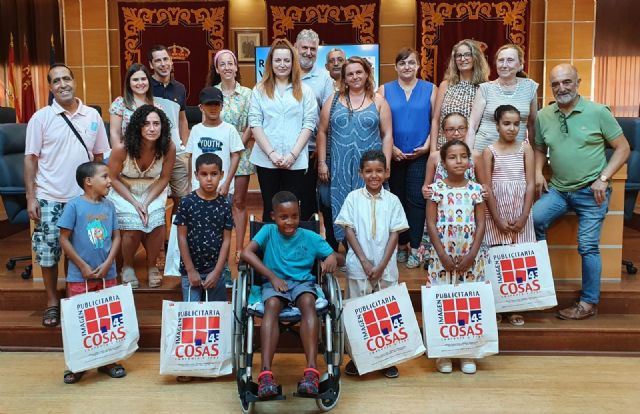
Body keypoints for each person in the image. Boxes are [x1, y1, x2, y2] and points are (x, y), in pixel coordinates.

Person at [533, 63, 630, 320]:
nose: (561, 88)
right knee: (532, 222)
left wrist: (603, 178)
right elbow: (540, 149)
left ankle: (588, 302)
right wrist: (537, 173)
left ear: (578, 82)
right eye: (555, 84)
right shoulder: (544, 115)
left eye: (566, 82)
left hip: (591, 192)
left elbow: (623, 148)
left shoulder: (598, 112)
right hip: (559, 190)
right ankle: (540, 288)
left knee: (587, 246)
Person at [25, 63, 110, 328]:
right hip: (50, 197)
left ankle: (74, 301)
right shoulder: (41, 118)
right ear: (50, 87)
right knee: (49, 252)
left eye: (66, 79)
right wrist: (31, 196)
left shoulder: (92, 117)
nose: (62, 84)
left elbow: (99, 158)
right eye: (56, 81)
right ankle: (52, 302)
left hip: (83, 200)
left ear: (75, 81)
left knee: (81, 251)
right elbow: (30, 160)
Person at [240, 191, 339, 398]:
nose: (290, 221)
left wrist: (331, 258)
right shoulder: (267, 231)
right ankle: (266, 373)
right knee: (272, 307)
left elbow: (333, 254)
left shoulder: (310, 237)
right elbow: (246, 253)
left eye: (294, 216)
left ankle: (311, 371)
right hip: (274, 284)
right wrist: (272, 277)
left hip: (302, 283)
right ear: (273, 216)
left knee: (308, 303)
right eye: (284, 217)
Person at [335, 150, 409, 378]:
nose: (374, 175)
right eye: (368, 171)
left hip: (385, 268)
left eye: (379, 171)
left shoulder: (393, 200)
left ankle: (388, 359)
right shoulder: (353, 198)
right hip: (359, 268)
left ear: (386, 173)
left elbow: (395, 235)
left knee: (386, 313)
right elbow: (349, 231)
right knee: (359, 313)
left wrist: (381, 265)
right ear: (361, 173)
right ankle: (358, 359)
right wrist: (366, 263)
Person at [58, 161, 125, 384]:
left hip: (108, 274)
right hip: (80, 276)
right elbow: (63, 239)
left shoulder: (110, 206)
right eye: (104, 177)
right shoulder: (74, 206)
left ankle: (108, 361)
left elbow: (116, 236)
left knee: (107, 318)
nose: (109, 181)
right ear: (88, 182)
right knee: (80, 320)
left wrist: (108, 263)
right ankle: (78, 365)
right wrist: (82, 266)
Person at [316, 56, 393, 245]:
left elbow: (388, 135)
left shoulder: (379, 101)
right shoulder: (333, 100)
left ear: (367, 74)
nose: (355, 77)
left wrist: (387, 165)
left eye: (359, 72)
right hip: (339, 167)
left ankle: (367, 249)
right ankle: (346, 249)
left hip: (369, 169)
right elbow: (322, 132)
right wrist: (322, 162)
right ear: (344, 78)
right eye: (350, 74)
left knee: (369, 207)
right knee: (339, 205)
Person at [425, 139, 487, 375]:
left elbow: (481, 223)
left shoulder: (476, 190)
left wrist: (472, 253)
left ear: (469, 161)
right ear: (443, 163)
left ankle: (467, 352)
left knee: (467, 301)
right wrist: (441, 254)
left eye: (463, 156)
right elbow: (430, 223)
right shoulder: (436, 189)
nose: (459, 161)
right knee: (443, 301)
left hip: (470, 256)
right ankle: (443, 353)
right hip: (442, 256)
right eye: (452, 157)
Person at [248, 38, 318, 222]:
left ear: (293, 62)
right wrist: (272, 154)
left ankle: (291, 251)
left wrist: (292, 155)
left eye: (286, 60)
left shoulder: (305, 90)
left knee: (291, 210)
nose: (282, 64)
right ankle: (270, 250)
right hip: (266, 160)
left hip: (294, 160)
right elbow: (255, 123)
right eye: (277, 60)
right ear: (270, 62)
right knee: (270, 208)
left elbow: (309, 124)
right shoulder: (259, 90)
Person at [378, 47, 436, 268]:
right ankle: (400, 245)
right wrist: (390, 148)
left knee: (416, 200)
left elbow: (435, 120)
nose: (407, 67)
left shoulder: (431, 89)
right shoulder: (384, 90)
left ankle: (414, 247)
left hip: (421, 155)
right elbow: (379, 123)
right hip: (394, 155)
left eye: (411, 62)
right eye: (402, 63)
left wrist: (428, 146)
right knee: (397, 201)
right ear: (396, 67)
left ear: (418, 65)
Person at [108, 105, 176, 288]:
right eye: (146, 124)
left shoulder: (168, 147)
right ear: (138, 126)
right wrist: (135, 203)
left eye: (156, 124)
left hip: (153, 189)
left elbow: (165, 178)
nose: (152, 128)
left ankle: (152, 266)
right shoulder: (122, 148)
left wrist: (145, 202)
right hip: (124, 189)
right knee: (133, 223)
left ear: (163, 127)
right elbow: (112, 178)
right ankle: (128, 267)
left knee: (156, 221)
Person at [483, 105, 535, 326]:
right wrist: (497, 219)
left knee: (517, 259)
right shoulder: (489, 151)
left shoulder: (526, 149)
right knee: (497, 259)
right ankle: (496, 305)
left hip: (520, 209)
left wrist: (524, 216)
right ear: (497, 125)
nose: (512, 128)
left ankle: (515, 305)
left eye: (516, 123)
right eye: (507, 123)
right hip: (497, 211)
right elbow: (486, 186)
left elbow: (531, 184)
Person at [417, 113, 488, 264]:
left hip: (468, 212)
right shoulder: (435, 157)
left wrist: (485, 191)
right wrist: (425, 190)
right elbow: (426, 185)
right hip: (441, 213)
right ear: (443, 132)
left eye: (461, 128)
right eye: (450, 129)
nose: (456, 133)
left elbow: (484, 185)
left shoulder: (475, 156)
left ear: (467, 129)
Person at [206, 49, 253, 262]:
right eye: (222, 64)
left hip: (241, 153)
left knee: (239, 202)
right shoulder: (210, 92)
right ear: (217, 69)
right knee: (216, 200)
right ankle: (217, 247)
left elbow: (252, 124)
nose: (227, 67)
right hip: (215, 154)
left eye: (230, 63)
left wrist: (236, 147)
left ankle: (239, 248)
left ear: (236, 67)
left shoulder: (248, 94)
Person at [295, 29, 337, 244]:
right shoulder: (285, 73)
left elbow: (328, 117)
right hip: (290, 153)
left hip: (314, 151)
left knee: (322, 200)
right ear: (296, 48)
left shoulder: (324, 79)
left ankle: (328, 245)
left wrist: (322, 151)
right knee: (295, 202)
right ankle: (299, 244)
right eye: (305, 48)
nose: (309, 53)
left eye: (313, 49)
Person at [175, 153, 233, 302]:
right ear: (196, 175)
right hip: (190, 272)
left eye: (214, 174)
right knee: (192, 317)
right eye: (204, 174)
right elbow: (181, 237)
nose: (209, 179)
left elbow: (226, 241)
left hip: (215, 271)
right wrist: (190, 270)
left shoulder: (225, 205)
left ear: (222, 175)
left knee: (216, 318)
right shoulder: (186, 203)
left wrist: (217, 271)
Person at [467, 44, 538, 152]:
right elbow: (472, 126)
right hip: (483, 151)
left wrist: (533, 154)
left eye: (510, 60)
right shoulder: (485, 88)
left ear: (520, 65)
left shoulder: (530, 87)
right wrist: (469, 155)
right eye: (501, 60)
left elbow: (532, 125)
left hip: (515, 155)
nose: (504, 65)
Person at [148, 44, 190, 213]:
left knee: (183, 200)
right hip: (153, 154)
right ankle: (161, 240)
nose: (163, 64)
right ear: (151, 65)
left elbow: (182, 120)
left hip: (178, 154)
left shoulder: (179, 88)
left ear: (171, 62)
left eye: (166, 59)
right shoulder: (145, 86)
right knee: (156, 201)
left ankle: (174, 239)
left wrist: (185, 148)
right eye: (158, 61)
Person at [430, 39, 489, 153]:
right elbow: (435, 120)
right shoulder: (445, 85)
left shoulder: (484, 87)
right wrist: (433, 152)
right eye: (459, 56)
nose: (462, 59)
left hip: (472, 150)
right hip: (444, 149)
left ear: (475, 57)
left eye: (467, 55)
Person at [186, 87, 243, 194]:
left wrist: (227, 183)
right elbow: (190, 157)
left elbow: (236, 156)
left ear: (222, 106)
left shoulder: (230, 129)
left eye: (216, 104)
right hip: (198, 188)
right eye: (208, 104)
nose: (213, 108)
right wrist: (190, 184)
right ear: (201, 107)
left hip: (222, 188)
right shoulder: (195, 130)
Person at [109, 63, 161, 148]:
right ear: (128, 83)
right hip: (126, 154)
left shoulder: (156, 106)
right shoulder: (120, 104)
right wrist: (117, 154)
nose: (140, 83)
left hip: (151, 154)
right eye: (135, 80)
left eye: (143, 79)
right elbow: (115, 132)